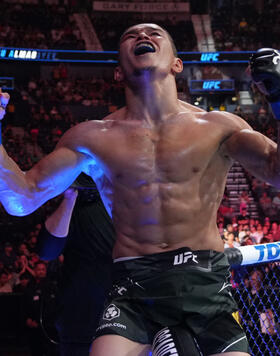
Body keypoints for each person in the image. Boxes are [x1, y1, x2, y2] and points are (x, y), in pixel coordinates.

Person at [1, 24, 280, 355]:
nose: (143, 35)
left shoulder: (219, 127)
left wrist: (278, 97)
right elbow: (22, 198)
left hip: (205, 284)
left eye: (155, 33)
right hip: (133, 287)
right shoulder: (91, 137)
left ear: (177, 63)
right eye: (130, 36)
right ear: (118, 72)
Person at [37, 173, 115, 356]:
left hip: (122, 322)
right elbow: (47, 251)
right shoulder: (74, 208)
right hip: (80, 323)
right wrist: (71, 196)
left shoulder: (126, 206)